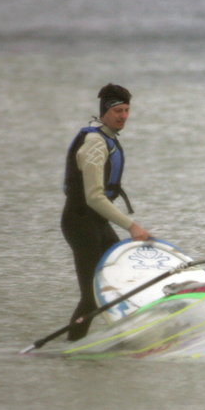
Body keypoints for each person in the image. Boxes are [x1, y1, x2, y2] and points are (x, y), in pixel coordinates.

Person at [61, 84, 152, 340]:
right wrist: (132, 226)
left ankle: (129, 339)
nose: (123, 116)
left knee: (118, 286)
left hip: (97, 223)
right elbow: (93, 197)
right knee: (91, 297)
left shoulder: (107, 138)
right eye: (117, 111)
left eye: (126, 110)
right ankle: (71, 348)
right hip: (80, 223)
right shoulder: (95, 143)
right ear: (104, 112)